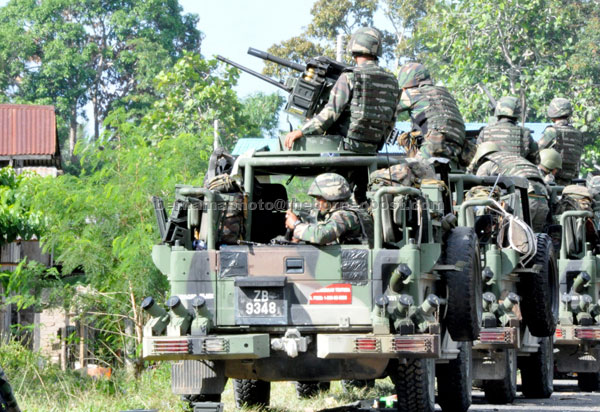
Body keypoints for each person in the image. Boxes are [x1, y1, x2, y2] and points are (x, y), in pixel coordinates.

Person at [284, 27, 399, 153]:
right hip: (372, 151)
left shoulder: (350, 77)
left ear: (354, 48)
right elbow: (391, 122)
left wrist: (302, 131)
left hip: (345, 149)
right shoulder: (393, 81)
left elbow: (330, 113)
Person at [395, 62, 469, 168]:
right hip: (459, 150)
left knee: (403, 173)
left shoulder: (413, 93)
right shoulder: (445, 93)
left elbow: (387, 107)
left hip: (433, 146)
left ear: (406, 84)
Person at [471, 142, 550, 232]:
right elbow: (548, 187)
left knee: (517, 238)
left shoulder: (488, 163)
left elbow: (479, 188)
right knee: (535, 239)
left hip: (523, 198)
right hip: (543, 198)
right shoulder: (516, 159)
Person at [284, 173, 371, 245]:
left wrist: (296, 225)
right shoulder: (335, 212)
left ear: (331, 197)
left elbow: (322, 236)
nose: (316, 203)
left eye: (319, 198)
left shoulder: (344, 215)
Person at [537, 97, 583, 186]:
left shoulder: (552, 131)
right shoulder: (578, 133)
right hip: (570, 181)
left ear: (552, 112)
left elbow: (536, 151)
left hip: (552, 180)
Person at [477, 96, 538, 162]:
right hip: (516, 171)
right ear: (517, 112)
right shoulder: (525, 133)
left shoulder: (485, 132)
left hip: (491, 171)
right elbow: (535, 160)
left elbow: (478, 158)